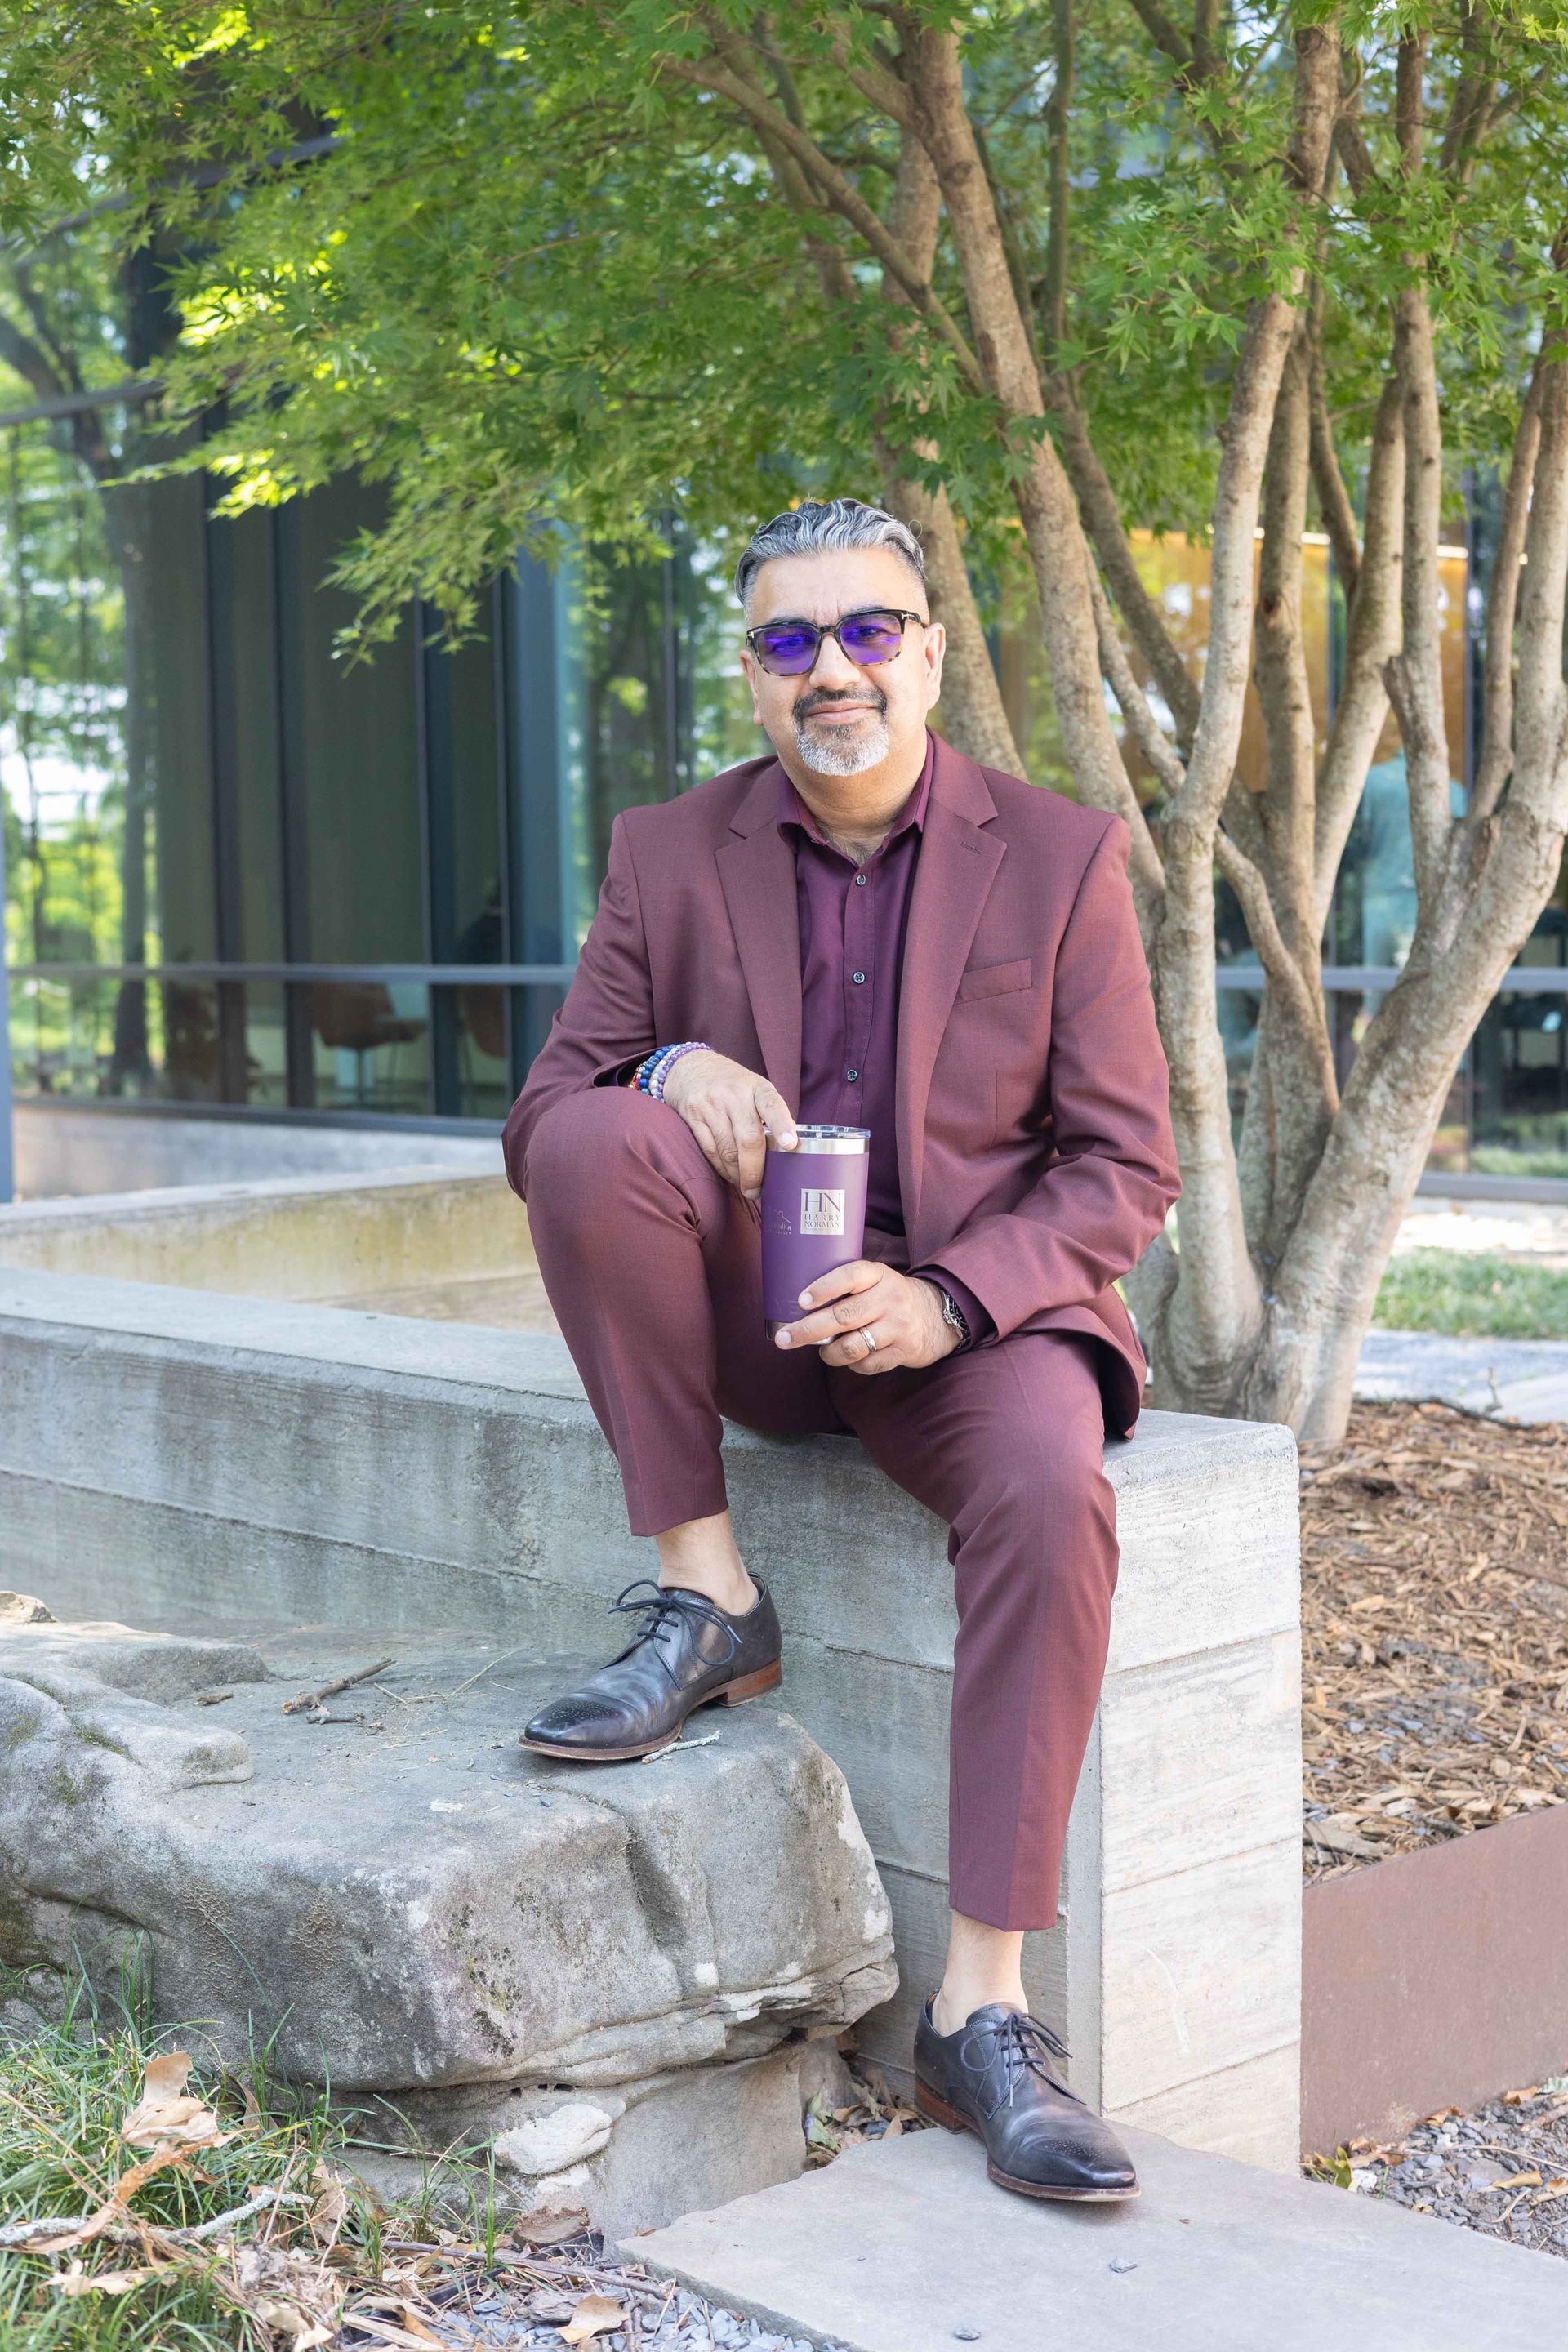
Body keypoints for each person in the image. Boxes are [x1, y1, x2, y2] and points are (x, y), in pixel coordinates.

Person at [503, 497, 1179, 2204]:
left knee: (1048, 1487)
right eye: (792, 641)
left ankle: (986, 2011)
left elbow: (1123, 1167)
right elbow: (543, 1114)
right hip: (765, 1311)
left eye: (869, 630)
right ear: (751, 674)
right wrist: (666, 1075)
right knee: (597, 1140)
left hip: (967, 1318)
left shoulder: (1065, 855)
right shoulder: (669, 850)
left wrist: (953, 1300)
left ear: (932, 652)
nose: (834, 671)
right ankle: (709, 1596)